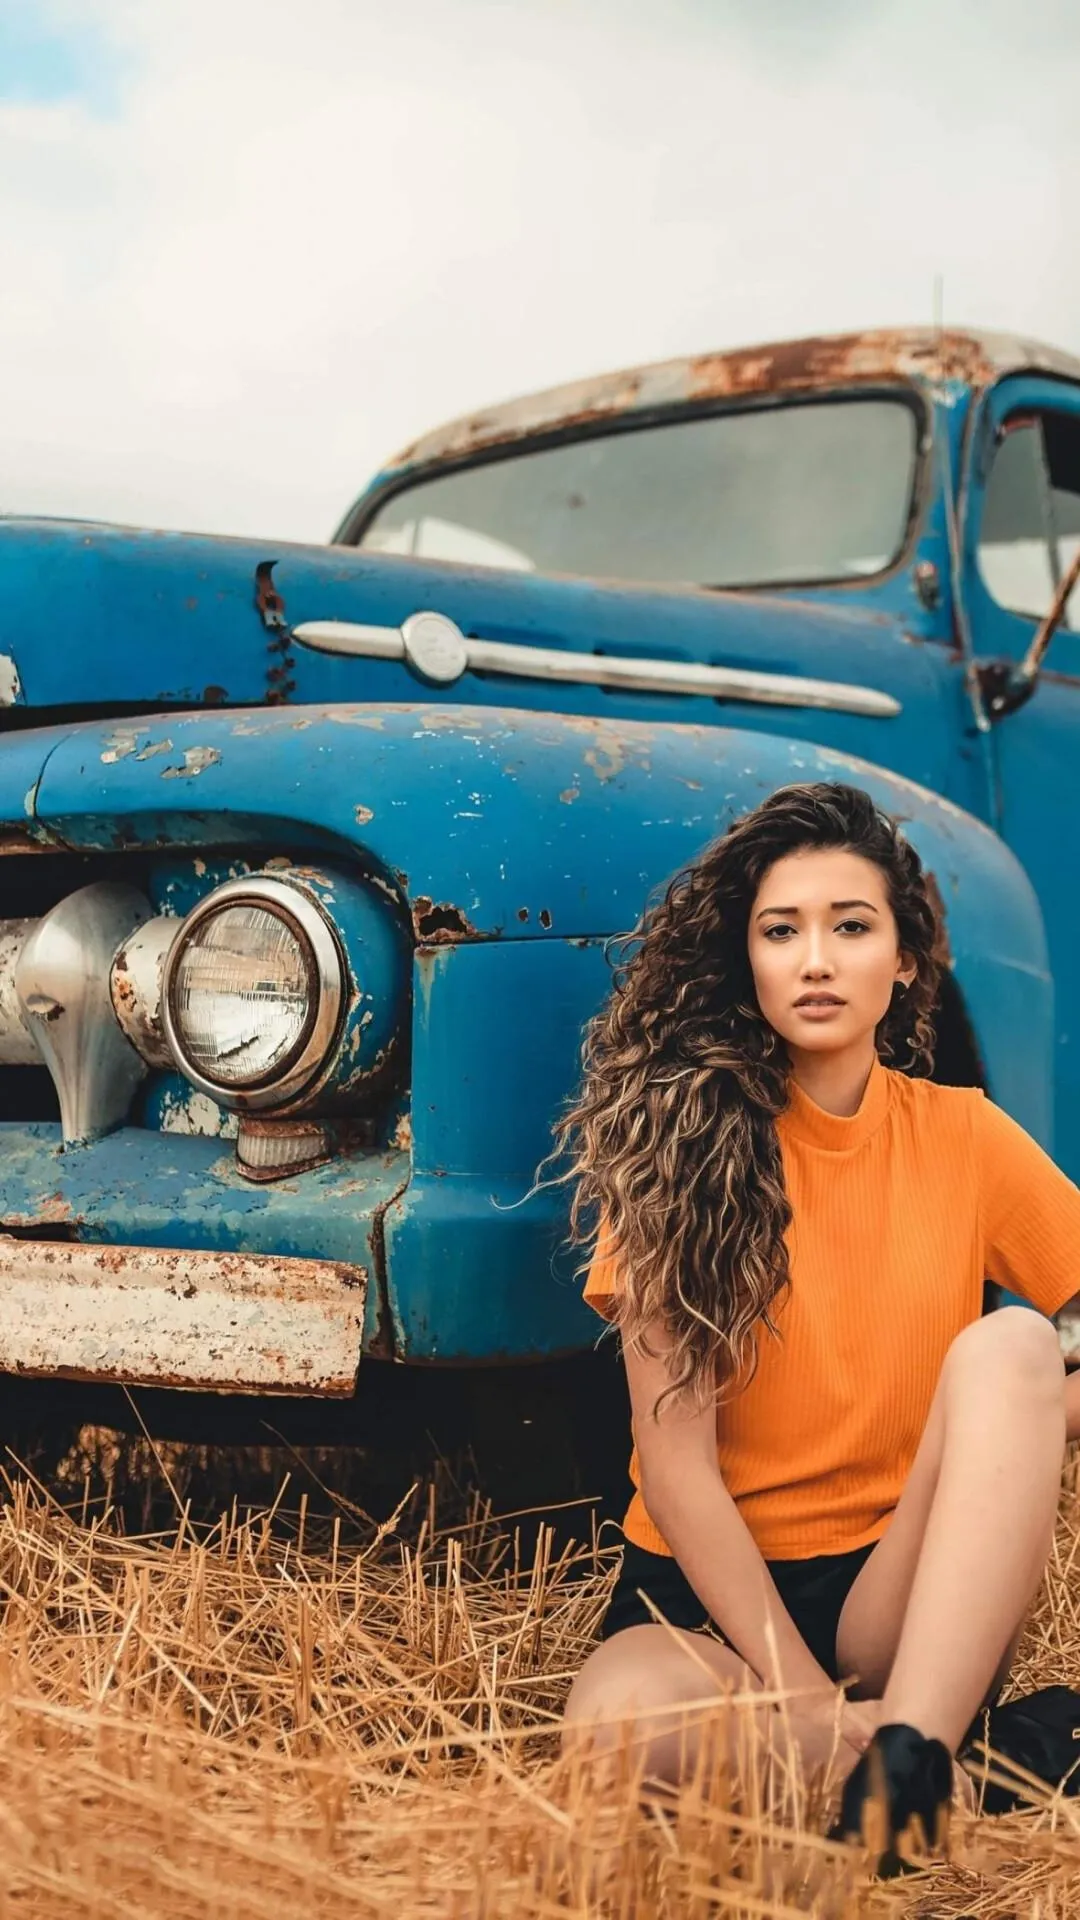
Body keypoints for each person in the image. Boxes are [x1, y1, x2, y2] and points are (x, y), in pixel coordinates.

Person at [544, 780, 1080, 1875]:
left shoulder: (965, 1137)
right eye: (781, 931)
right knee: (617, 1735)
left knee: (1018, 1346)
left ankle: (909, 1755)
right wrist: (802, 1700)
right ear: (746, 960)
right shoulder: (674, 1151)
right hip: (706, 1606)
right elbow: (675, 1466)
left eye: (852, 927)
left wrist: (1031, 1419)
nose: (817, 961)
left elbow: (1041, 1357)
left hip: (898, 1595)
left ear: (907, 963)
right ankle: (970, 1768)